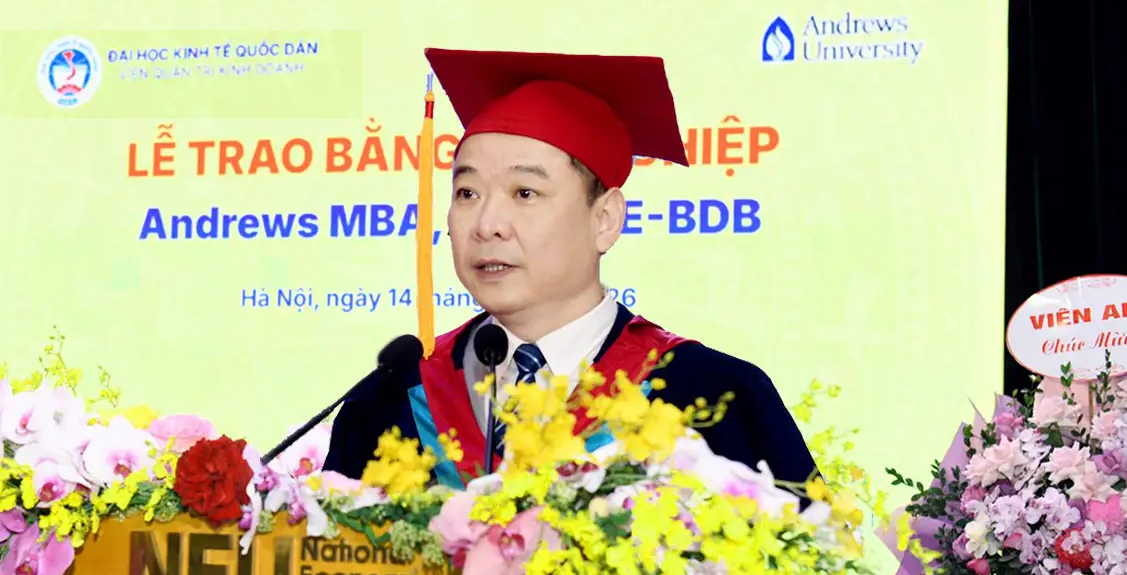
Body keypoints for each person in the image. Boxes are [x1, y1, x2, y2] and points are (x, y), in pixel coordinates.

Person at [324, 48, 815, 489]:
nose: (487, 224)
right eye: (467, 193)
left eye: (525, 193)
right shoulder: (392, 398)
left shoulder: (709, 396)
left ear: (605, 220)